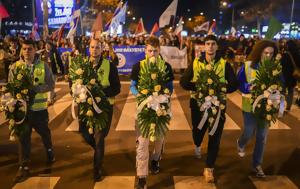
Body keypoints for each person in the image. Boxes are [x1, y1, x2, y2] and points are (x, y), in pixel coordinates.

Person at [180, 35, 238, 183]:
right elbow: (184, 82)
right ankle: (197, 144)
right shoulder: (196, 62)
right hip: (198, 105)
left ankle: (209, 168)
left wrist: (219, 88)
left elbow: (234, 84)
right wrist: (201, 87)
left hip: (218, 106)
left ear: (217, 46)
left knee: (215, 137)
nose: (210, 46)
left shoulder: (224, 64)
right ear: (204, 46)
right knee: (198, 133)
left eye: (213, 44)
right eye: (208, 44)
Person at [130, 36, 174, 189]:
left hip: (161, 110)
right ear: (145, 51)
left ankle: (155, 159)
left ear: (159, 50)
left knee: (159, 140)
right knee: (142, 143)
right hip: (143, 109)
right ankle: (142, 178)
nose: (152, 54)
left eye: (155, 51)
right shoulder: (138, 67)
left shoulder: (166, 67)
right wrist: (143, 97)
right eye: (150, 51)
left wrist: (163, 97)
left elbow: (171, 88)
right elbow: (132, 87)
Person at [9, 40, 55, 183]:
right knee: (23, 137)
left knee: (44, 132)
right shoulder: (14, 67)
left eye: (30, 49)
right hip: (22, 111)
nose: (26, 52)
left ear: (36, 50)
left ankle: (49, 150)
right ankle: (23, 166)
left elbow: (51, 84)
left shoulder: (43, 66)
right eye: (24, 49)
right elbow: (10, 86)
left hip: (39, 110)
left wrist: (36, 89)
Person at [77, 38, 120, 182]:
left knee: (100, 136)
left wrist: (100, 93)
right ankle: (98, 151)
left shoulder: (110, 65)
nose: (94, 50)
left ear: (102, 49)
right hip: (86, 107)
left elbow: (117, 88)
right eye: (92, 47)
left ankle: (97, 168)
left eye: (97, 47)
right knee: (84, 133)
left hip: (104, 108)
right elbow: (74, 83)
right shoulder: (82, 65)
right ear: (89, 48)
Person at [236, 40, 278, 177]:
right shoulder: (248, 66)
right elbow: (239, 82)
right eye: (266, 52)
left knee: (262, 136)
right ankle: (241, 142)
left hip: (266, 108)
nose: (268, 56)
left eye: (271, 53)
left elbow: (280, 83)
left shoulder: (275, 68)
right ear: (260, 52)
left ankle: (257, 165)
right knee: (248, 131)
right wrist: (248, 88)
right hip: (249, 106)